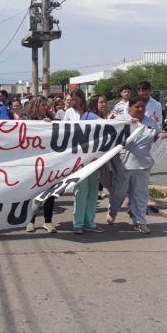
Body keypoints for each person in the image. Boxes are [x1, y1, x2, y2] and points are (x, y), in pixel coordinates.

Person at [107, 96, 166, 234]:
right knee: (118, 193)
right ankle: (113, 210)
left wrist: (161, 135)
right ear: (129, 107)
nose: (140, 109)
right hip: (123, 165)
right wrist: (127, 124)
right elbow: (108, 135)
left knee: (140, 194)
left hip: (144, 164)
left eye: (142, 107)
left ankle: (140, 222)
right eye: (137, 107)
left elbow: (157, 134)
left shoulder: (149, 121)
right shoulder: (120, 119)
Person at [64, 89, 103, 233]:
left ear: (81, 99)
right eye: (71, 99)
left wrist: (127, 123)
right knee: (80, 191)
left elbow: (107, 126)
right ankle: (78, 224)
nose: (72, 101)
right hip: (76, 160)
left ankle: (90, 222)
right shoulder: (69, 113)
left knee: (93, 192)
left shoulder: (91, 116)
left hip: (92, 159)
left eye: (75, 99)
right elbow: (61, 132)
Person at [23, 97, 57, 233]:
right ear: (35, 106)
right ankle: (30, 220)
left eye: (46, 105)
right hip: (33, 163)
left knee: (50, 192)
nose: (45, 108)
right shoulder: (26, 121)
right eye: (43, 105)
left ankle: (48, 221)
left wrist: (50, 124)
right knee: (33, 193)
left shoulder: (51, 119)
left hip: (49, 162)